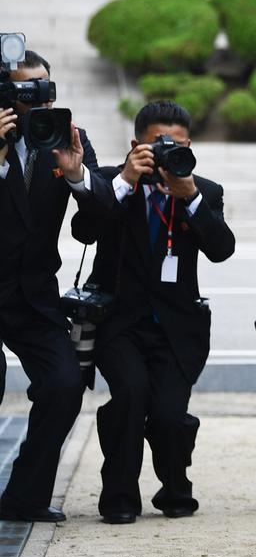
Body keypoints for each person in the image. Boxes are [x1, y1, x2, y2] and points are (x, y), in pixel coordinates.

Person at [70, 100, 235, 524]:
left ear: (189, 146)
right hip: (118, 322)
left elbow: (222, 249)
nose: (165, 153)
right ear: (135, 145)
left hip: (179, 329)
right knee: (129, 395)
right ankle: (120, 497)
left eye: (174, 145)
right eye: (156, 144)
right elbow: (84, 229)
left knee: (167, 413)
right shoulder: (110, 183)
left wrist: (191, 197)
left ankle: (176, 488)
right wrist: (126, 179)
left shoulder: (204, 190)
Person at [0, 50, 114, 522]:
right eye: (26, 91)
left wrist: (79, 177)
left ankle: (24, 496)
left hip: (33, 295)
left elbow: (99, 224)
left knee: (66, 385)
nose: (39, 100)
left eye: (45, 88)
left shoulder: (69, 138)